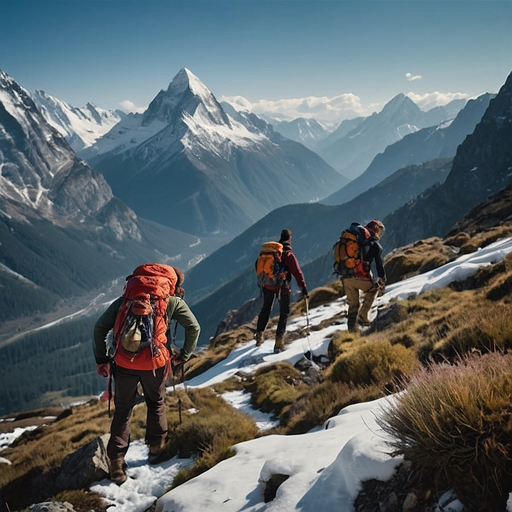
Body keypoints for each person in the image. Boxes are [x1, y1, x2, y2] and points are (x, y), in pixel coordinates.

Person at [93, 266, 200, 485]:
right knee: (156, 402)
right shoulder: (171, 302)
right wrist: (183, 356)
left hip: (123, 363)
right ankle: (156, 449)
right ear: (171, 284)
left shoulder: (126, 300)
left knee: (123, 410)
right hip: (156, 364)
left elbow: (99, 328)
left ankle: (116, 465)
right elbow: (194, 328)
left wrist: (102, 359)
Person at [254, 229, 308, 353]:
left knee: (266, 308)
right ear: (290, 238)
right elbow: (297, 273)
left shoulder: (270, 253)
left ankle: (259, 336)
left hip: (267, 285)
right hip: (283, 286)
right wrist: (303, 288)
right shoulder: (288, 255)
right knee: (284, 312)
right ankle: (278, 342)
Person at [342, 219, 386, 332]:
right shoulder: (375, 245)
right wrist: (383, 278)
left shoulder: (355, 239)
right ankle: (363, 314)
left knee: (353, 305)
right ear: (376, 230)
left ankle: (351, 332)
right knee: (374, 288)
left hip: (346, 276)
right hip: (358, 276)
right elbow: (379, 265)